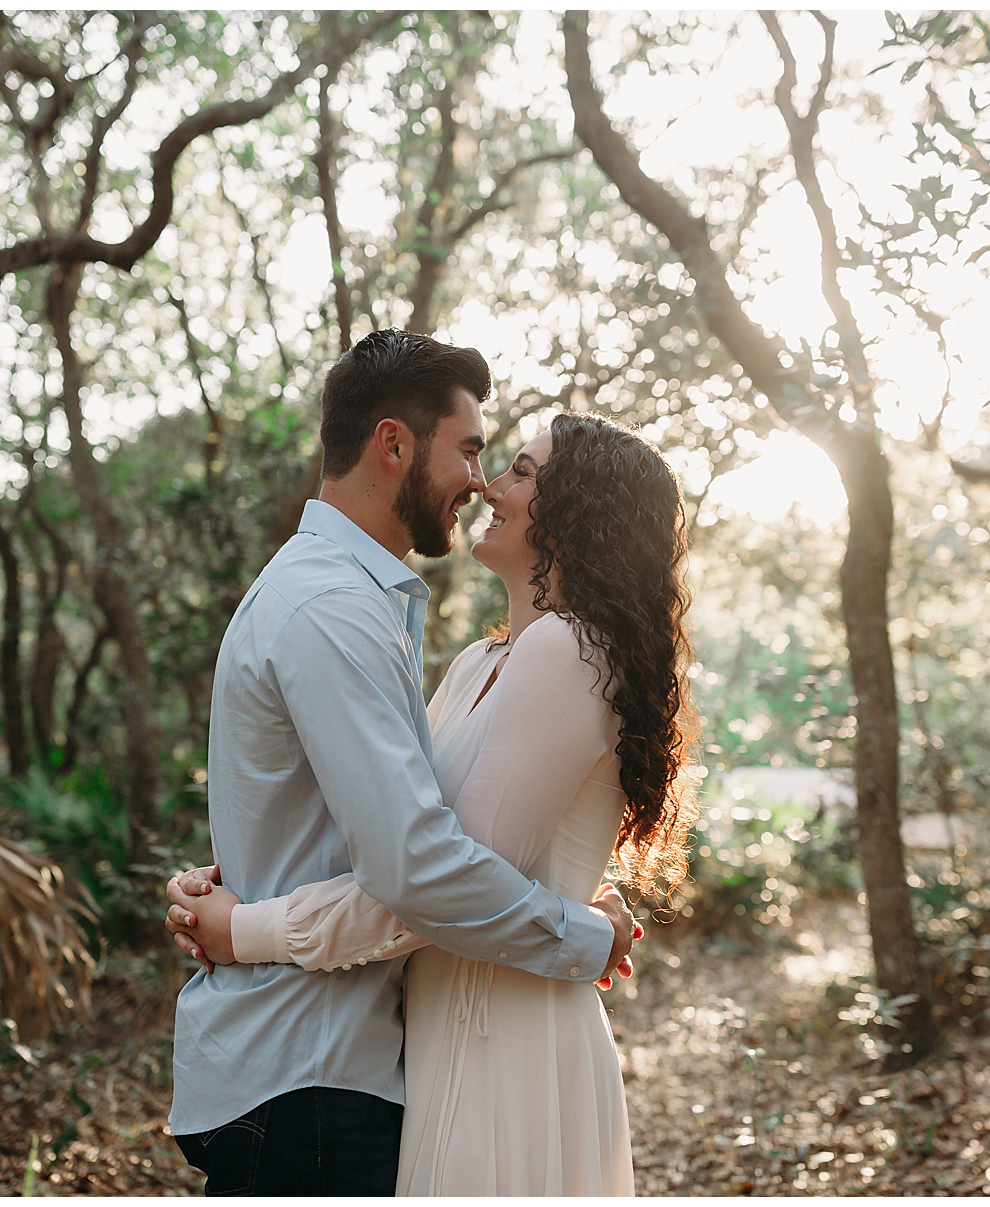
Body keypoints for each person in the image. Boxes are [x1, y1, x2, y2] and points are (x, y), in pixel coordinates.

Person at [168, 410, 699, 1195]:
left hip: (505, 1037)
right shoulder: (480, 662)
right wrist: (239, 872)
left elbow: (432, 885)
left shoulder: (568, 651)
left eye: (521, 471)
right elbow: (405, 840)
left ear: (583, 511)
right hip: (436, 1033)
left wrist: (246, 927)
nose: (490, 483)